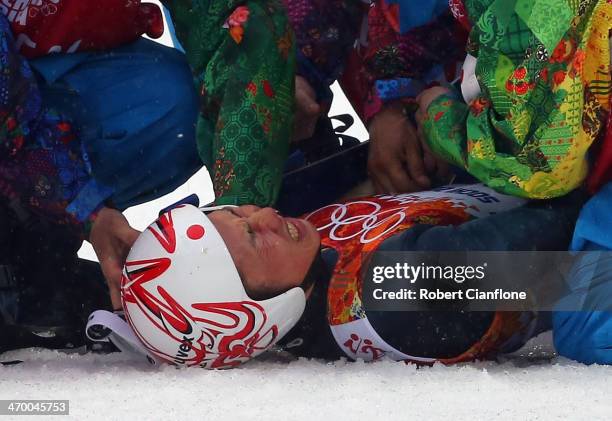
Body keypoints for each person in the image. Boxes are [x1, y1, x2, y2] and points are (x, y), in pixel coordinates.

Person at [95, 182, 582, 368]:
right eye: (252, 237)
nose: (266, 213)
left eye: (239, 212)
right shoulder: (398, 291)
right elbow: (584, 268)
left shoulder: (305, 260)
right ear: (259, 312)